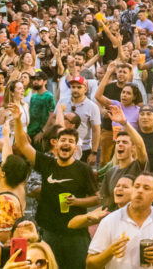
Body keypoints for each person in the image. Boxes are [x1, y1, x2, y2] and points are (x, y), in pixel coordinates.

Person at [12, 98, 98, 268]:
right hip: (49, 232)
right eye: (63, 140)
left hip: (76, 234)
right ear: (56, 143)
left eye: (71, 142)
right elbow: (22, 145)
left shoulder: (83, 169)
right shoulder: (46, 163)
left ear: (75, 147)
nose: (66, 144)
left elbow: (97, 199)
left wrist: (77, 201)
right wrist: (17, 120)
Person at [86, 172, 153, 269]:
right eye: (136, 186)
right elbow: (90, 264)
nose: (140, 191)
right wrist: (110, 252)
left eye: (146, 188)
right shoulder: (110, 221)